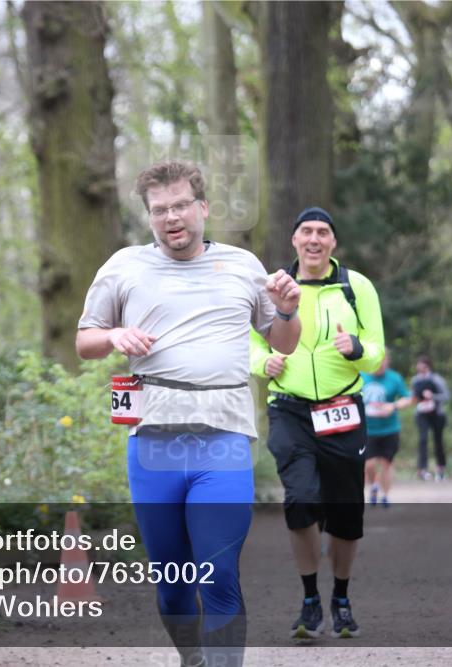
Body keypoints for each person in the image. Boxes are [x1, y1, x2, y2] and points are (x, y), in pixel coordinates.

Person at [77, 159, 301, 667]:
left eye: (180, 205)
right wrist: (113, 336)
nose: (171, 217)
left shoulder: (243, 266)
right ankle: (192, 659)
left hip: (222, 439)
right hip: (153, 442)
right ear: (149, 217)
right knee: (173, 586)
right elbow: (84, 341)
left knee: (218, 574)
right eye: (160, 210)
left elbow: (282, 340)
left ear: (202, 207)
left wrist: (288, 310)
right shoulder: (123, 266)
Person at [250, 206, 385, 640]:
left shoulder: (356, 286)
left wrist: (355, 348)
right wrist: (261, 361)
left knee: (345, 511)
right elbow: (249, 341)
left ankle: (340, 599)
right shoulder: (273, 287)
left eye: (322, 232)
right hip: (289, 408)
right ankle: (310, 599)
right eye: (305, 231)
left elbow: (378, 351)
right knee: (301, 498)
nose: (314, 238)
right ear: (294, 240)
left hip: (343, 408)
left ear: (332, 243)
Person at [360, 350, 412, 508]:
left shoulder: (394, 378)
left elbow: (407, 398)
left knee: (386, 463)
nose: (380, 365)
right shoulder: (361, 376)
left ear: (388, 361)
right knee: (368, 464)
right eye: (377, 361)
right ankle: (374, 484)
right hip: (367, 429)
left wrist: (393, 406)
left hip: (389, 429)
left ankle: (385, 495)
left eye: (383, 361)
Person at [410, 356, 450, 481]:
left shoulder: (437, 379)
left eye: (421, 366)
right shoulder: (415, 380)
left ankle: (441, 469)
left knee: (438, 441)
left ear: (427, 366)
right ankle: (422, 469)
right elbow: (412, 397)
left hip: (437, 414)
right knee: (423, 439)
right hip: (422, 414)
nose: (418, 368)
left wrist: (432, 396)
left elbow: (446, 396)